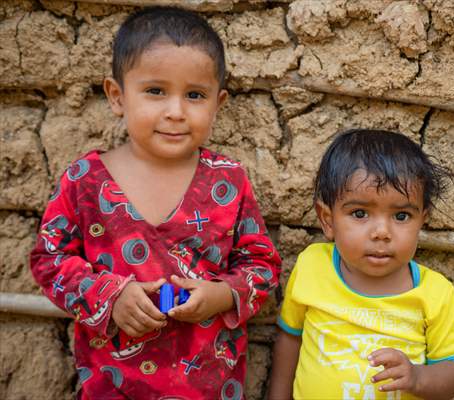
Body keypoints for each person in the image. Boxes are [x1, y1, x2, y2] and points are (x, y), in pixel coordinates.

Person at [30, 6, 281, 399]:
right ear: (117, 96)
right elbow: (49, 260)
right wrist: (109, 296)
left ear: (218, 102)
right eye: (155, 91)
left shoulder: (227, 181)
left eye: (195, 95)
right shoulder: (84, 181)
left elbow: (262, 265)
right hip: (112, 386)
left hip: (207, 386)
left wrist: (221, 295)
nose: (176, 111)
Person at [268, 129, 454, 400]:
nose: (381, 232)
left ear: (422, 220)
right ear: (328, 220)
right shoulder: (312, 266)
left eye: (401, 216)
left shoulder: (434, 293)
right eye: (360, 213)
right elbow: (290, 338)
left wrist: (417, 377)